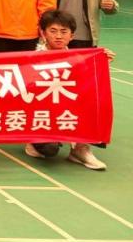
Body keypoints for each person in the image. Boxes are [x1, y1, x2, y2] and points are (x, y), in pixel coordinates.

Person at [24, 10, 112, 170]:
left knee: (97, 99)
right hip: (41, 114)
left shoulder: (79, 58)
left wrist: (101, 60)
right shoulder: (31, 58)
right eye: (53, 31)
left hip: (66, 111)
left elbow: (90, 83)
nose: (58, 36)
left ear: (72, 36)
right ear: (43, 33)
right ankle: (32, 140)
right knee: (50, 150)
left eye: (64, 32)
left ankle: (80, 149)